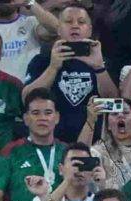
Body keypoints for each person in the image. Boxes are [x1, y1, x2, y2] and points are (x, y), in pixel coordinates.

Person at [22, 2, 117, 144]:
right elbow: (27, 99)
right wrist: (53, 68)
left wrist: (99, 68)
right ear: (59, 29)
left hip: (95, 143)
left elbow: (114, 103)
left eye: (81, 22)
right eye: (68, 21)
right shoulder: (42, 60)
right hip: (53, 144)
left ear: (90, 30)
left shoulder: (104, 61)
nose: (75, 25)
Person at [0, 88, 67, 201]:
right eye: (36, 113)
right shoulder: (11, 151)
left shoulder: (67, 152)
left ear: (57, 117)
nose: (42, 118)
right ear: (26, 118)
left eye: (48, 113)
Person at [88, 98, 131, 191]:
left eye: (126, 113)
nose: (120, 115)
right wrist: (90, 120)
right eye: (114, 114)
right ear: (108, 125)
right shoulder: (97, 152)